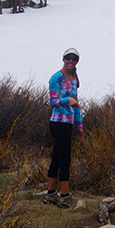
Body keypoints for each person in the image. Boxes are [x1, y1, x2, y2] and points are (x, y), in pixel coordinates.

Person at [43, 48, 85, 208]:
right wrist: (67, 99)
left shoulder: (74, 78)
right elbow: (53, 101)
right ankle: (65, 196)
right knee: (65, 159)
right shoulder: (56, 78)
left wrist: (79, 126)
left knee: (57, 158)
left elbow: (76, 105)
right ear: (63, 59)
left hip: (68, 124)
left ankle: (51, 194)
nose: (71, 61)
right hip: (57, 123)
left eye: (74, 59)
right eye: (69, 58)